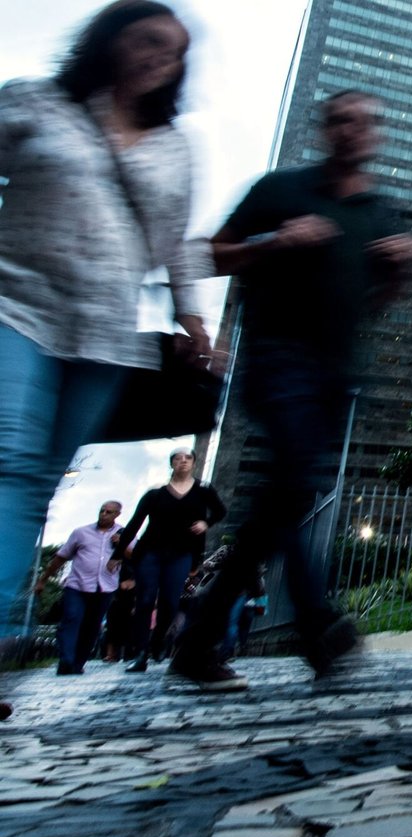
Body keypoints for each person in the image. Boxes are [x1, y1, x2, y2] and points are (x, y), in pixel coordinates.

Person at [174, 89, 412, 690]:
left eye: (363, 122)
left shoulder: (380, 213)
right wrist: (275, 242)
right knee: (287, 485)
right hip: (276, 359)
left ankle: (199, 639)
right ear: (324, 129)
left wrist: (400, 270)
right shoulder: (279, 190)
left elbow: (375, 303)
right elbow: (208, 256)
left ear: (377, 134)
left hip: (337, 375)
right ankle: (319, 624)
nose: (351, 130)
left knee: (282, 501)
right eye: (340, 120)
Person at [0, 0, 209, 705]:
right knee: (11, 460)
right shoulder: (38, 103)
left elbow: (179, 242)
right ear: (110, 40)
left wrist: (192, 320)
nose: (159, 58)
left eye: (174, 53)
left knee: (36, 479)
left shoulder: (173, 146)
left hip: (105, 335)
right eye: (147, 40)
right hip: (15, 307)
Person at [114, 448, 225, 671]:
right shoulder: (156, 493)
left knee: (170, 603)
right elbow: (136, 522)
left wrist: (206, 523)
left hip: (181, 554)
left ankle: (158, 640)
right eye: (177, 458)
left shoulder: (203, 490)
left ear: (194, 463)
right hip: (150, 552)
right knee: (145, 600)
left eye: (188, 458)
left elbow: (220, 511)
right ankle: (141, 653)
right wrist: (117, 554)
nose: (183, 461)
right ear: (171, 463)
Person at [35, 501, 124, 674]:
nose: (104, 514)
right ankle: (66, 660)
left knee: (92, 626)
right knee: (71, 618)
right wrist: (43, 580)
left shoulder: (124, 533)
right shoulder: (81, 532)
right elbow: (61, 557)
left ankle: (78, 663)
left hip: (104, 589)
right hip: (77, 586)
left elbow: (135, 556)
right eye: (102, 510)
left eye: (109, 512)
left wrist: (121, 544)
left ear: (117, 514)